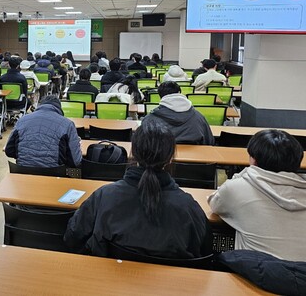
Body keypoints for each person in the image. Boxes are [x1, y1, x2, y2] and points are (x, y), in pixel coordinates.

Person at [64, 123, 212, 259]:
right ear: (170, 159)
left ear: (134, 153)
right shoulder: (189, 208)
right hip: (172, 280)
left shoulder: (104, 197)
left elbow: (73, 237)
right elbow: (206, 254)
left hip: (111, 278)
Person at [209, 130, 306, 261]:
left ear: (253, 161)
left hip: (256, 270)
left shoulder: (236, 189)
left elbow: (214, 203)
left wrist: (247, 173)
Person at [5, 95, 81, 168]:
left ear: (40, 105)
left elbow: (9, 151)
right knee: (76, 172)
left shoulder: (22, 120)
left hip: (22, 172)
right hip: (54, 174)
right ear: (59, 108)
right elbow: (76, 161)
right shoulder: (67, 124)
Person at [142, 81, 214, 145]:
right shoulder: (198, 117)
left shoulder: (149, 119)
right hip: (194, 155)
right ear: (179, 92)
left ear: (160, 96)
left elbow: (143, 144)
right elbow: (209, 142)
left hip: (162, 155)